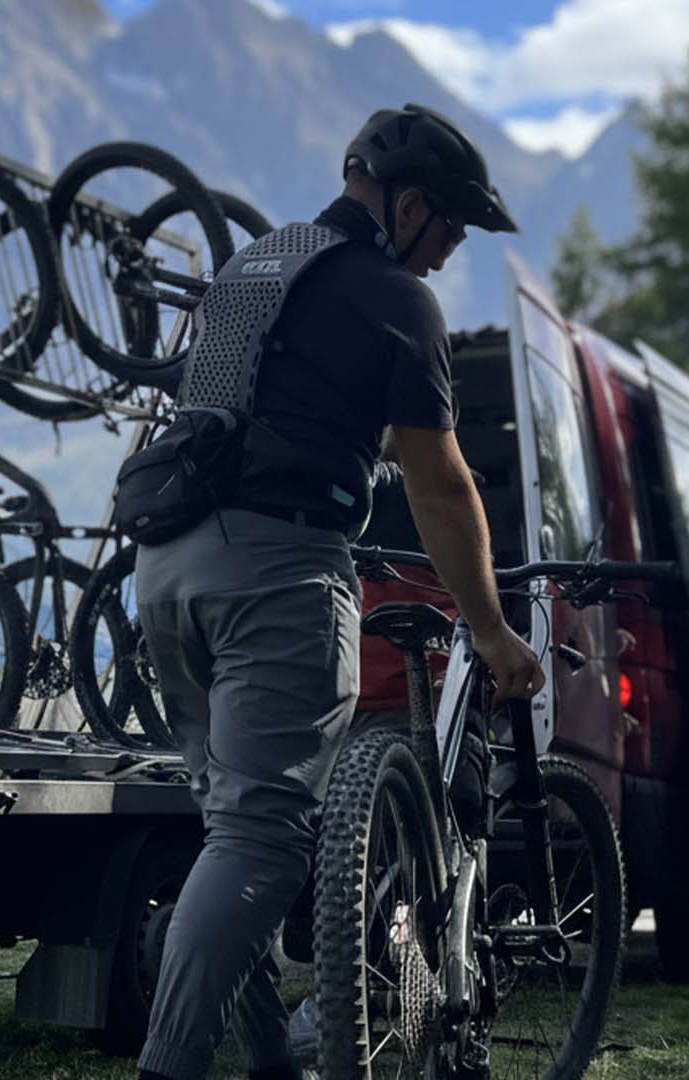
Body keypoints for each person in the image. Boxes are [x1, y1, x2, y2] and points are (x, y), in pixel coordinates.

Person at [129, 104, 547, 1080]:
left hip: (168, 569)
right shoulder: (397, 300)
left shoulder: (258, 265)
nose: (447, 253)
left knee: (232, 836)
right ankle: (167, 1067)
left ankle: (269, 1065)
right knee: (262, 845)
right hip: (276, 573)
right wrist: (491, 629)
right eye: (450, 228)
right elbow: (442, 487)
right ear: (408, 205)